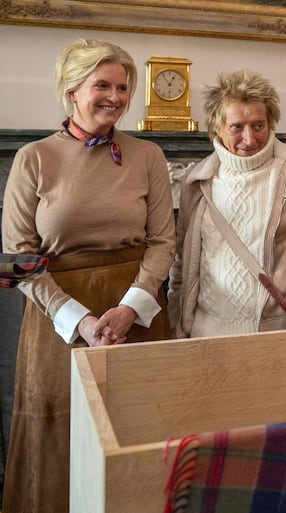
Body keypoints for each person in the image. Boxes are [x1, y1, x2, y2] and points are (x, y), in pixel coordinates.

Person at [1, 39, 175, 511]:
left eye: (122, 87)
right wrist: (79, 320)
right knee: (58, 435)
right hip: (57, 322)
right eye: (102, 85)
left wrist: (128, 309)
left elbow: (162, 242)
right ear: (72, 90)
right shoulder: (32, 158)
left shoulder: (148, 156)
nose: (114, 97)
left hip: (136, 318)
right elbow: (17, 260)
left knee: (137, 431)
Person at [168, 69, 286, 336]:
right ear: (216, 128)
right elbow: (181, 266)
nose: (250, 138)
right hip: (206, 336)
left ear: (271, 123)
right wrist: (177, 327)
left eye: (258, 125)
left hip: (283, 334)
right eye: (236, 127)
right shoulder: (195, 182)